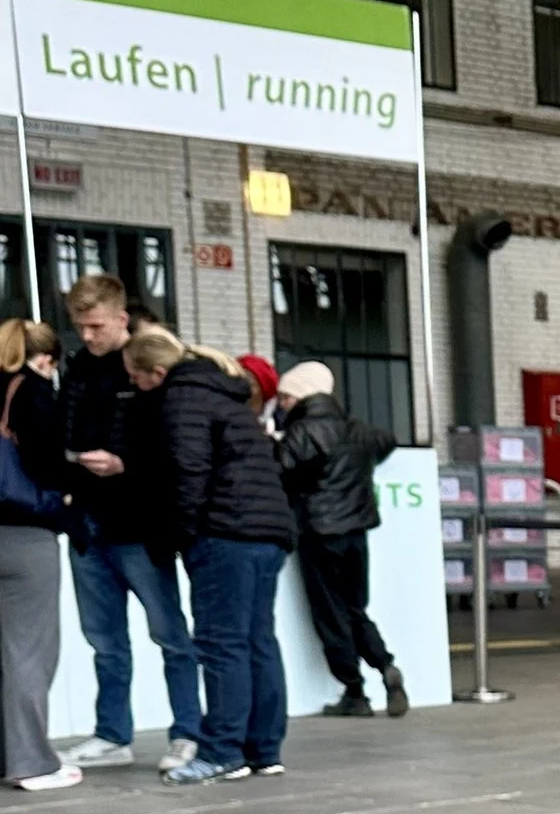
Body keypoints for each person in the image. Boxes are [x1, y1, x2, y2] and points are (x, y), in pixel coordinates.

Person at [133, 335, 298, 785]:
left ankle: (223, 750)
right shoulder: (227, 395)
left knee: (222, 643)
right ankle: (263, 750)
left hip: (225, 533)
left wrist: (180, 535)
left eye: (136, 376)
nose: (134, 385)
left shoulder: (183, 398)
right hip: (268, 532)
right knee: (258, 641)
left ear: (158, 373)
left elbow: (190, 470)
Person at [56, 270, 201, 771]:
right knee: (104, 639)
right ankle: (113, 734)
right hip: (87, 521)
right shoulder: (76, 369)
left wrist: (125, 466)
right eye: (80, 326)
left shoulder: (149, 367)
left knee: (169, 634)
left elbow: (175, 446)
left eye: (95, 326)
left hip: (139, 525)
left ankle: (187, 732)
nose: (87, 336)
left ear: (121, 319)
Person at [275, 362, 408, 717]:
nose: (281, 403)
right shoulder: (359, 430)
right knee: (354, 608)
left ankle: (354, 690)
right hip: (356, 533)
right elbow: (387, 440)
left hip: (318, 533)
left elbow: (279, 470)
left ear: (301, 396)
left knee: (330, 614)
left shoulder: (301, 433)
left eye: (286, 396)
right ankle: (385, 665)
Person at [0, 319, 80, 792]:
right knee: (28, 650)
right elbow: (47, 462)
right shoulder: (32, 391)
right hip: (24, 534)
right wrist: (65, 498)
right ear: (47, 357)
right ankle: (31, 761)